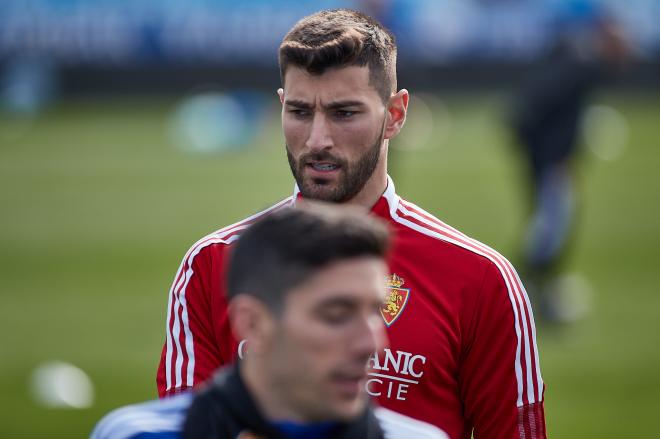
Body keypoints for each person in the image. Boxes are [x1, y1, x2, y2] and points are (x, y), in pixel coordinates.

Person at [157, 9, 545, 439]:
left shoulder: (482, 278)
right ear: (281, 107)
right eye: (301, 112)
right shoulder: (212, 265)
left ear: (395, 115)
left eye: (344, 113)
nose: (318, 139)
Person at [92, 206, 448, 439]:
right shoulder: (133, 435)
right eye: (336, 314)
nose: (372, 343)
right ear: (253, 324)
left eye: (374, 311)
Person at [510, 1, 630, 323]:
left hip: (548, 157)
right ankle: (528, 293)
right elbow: (537, 107)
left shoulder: (576, 59)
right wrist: (557, 157)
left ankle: (534, 292)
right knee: (551, 227)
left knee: (550, 224)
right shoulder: (579, 65)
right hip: (550, 160)